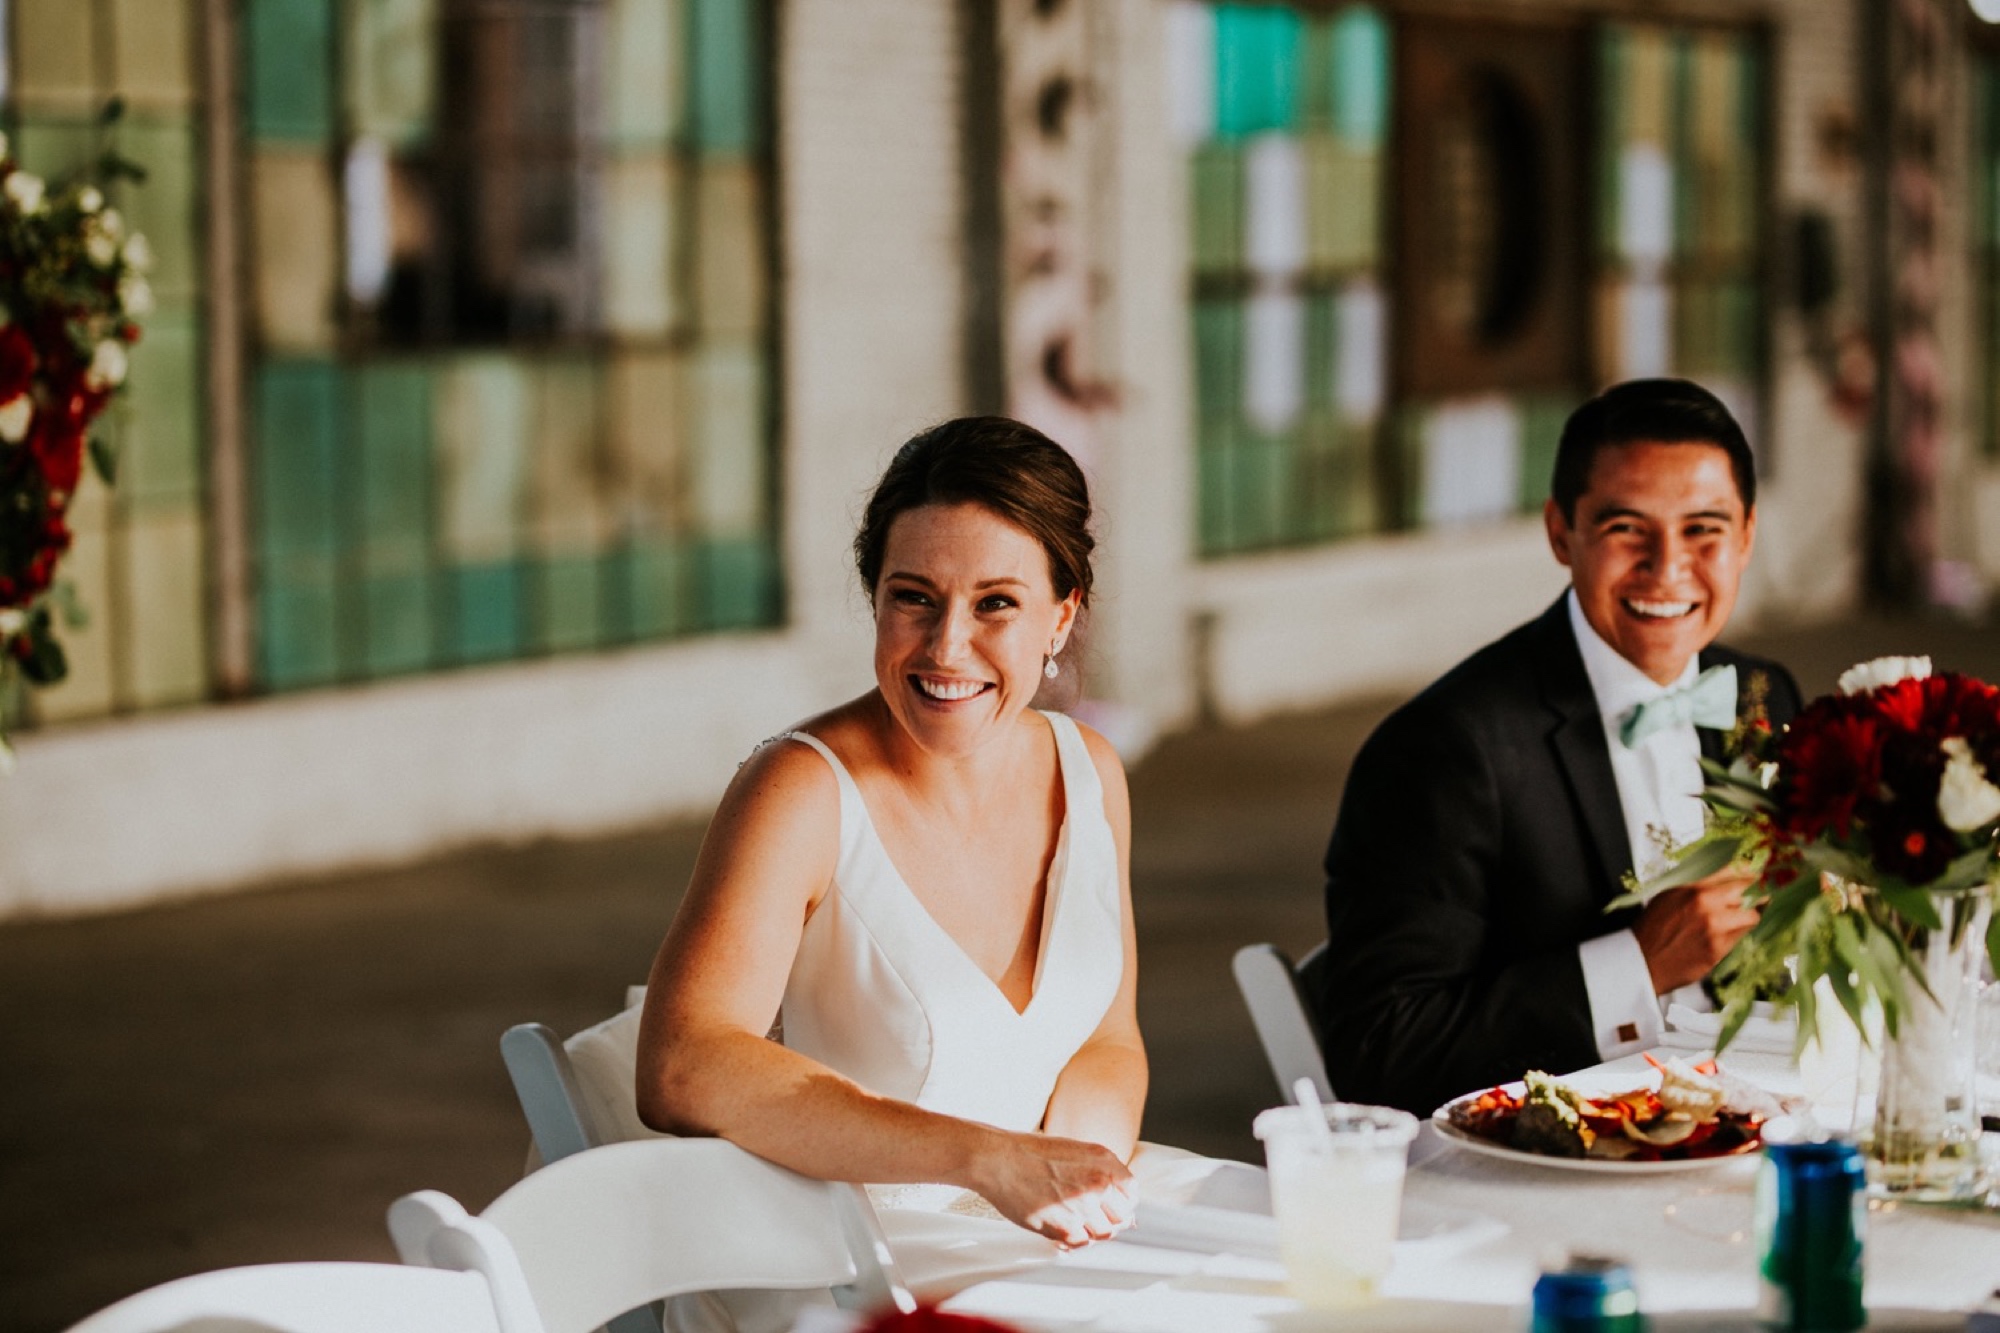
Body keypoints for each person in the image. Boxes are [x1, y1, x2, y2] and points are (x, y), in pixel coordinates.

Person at [637, 416, 1167, 1312]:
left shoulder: (1092, 771)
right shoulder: (801, 790)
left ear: (1061, 614)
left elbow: (1108, 1038)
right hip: (851, 1269)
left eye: (995, 602)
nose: (945, 647)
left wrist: (1078, 1176)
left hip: (1042, 1255)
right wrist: (987, 1155)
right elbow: (683, 1065)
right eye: (913, 597)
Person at [1309, 378, 1803, 1116]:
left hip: (1754, 1117)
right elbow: (1383, 1049)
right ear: (1559, 531)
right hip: (1549, 1161)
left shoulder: (1763, 693)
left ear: (1747, 535)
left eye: (1704, 528)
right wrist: (1639, 963)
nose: (1668, 568)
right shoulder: (1445, 749)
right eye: (1627, 528)